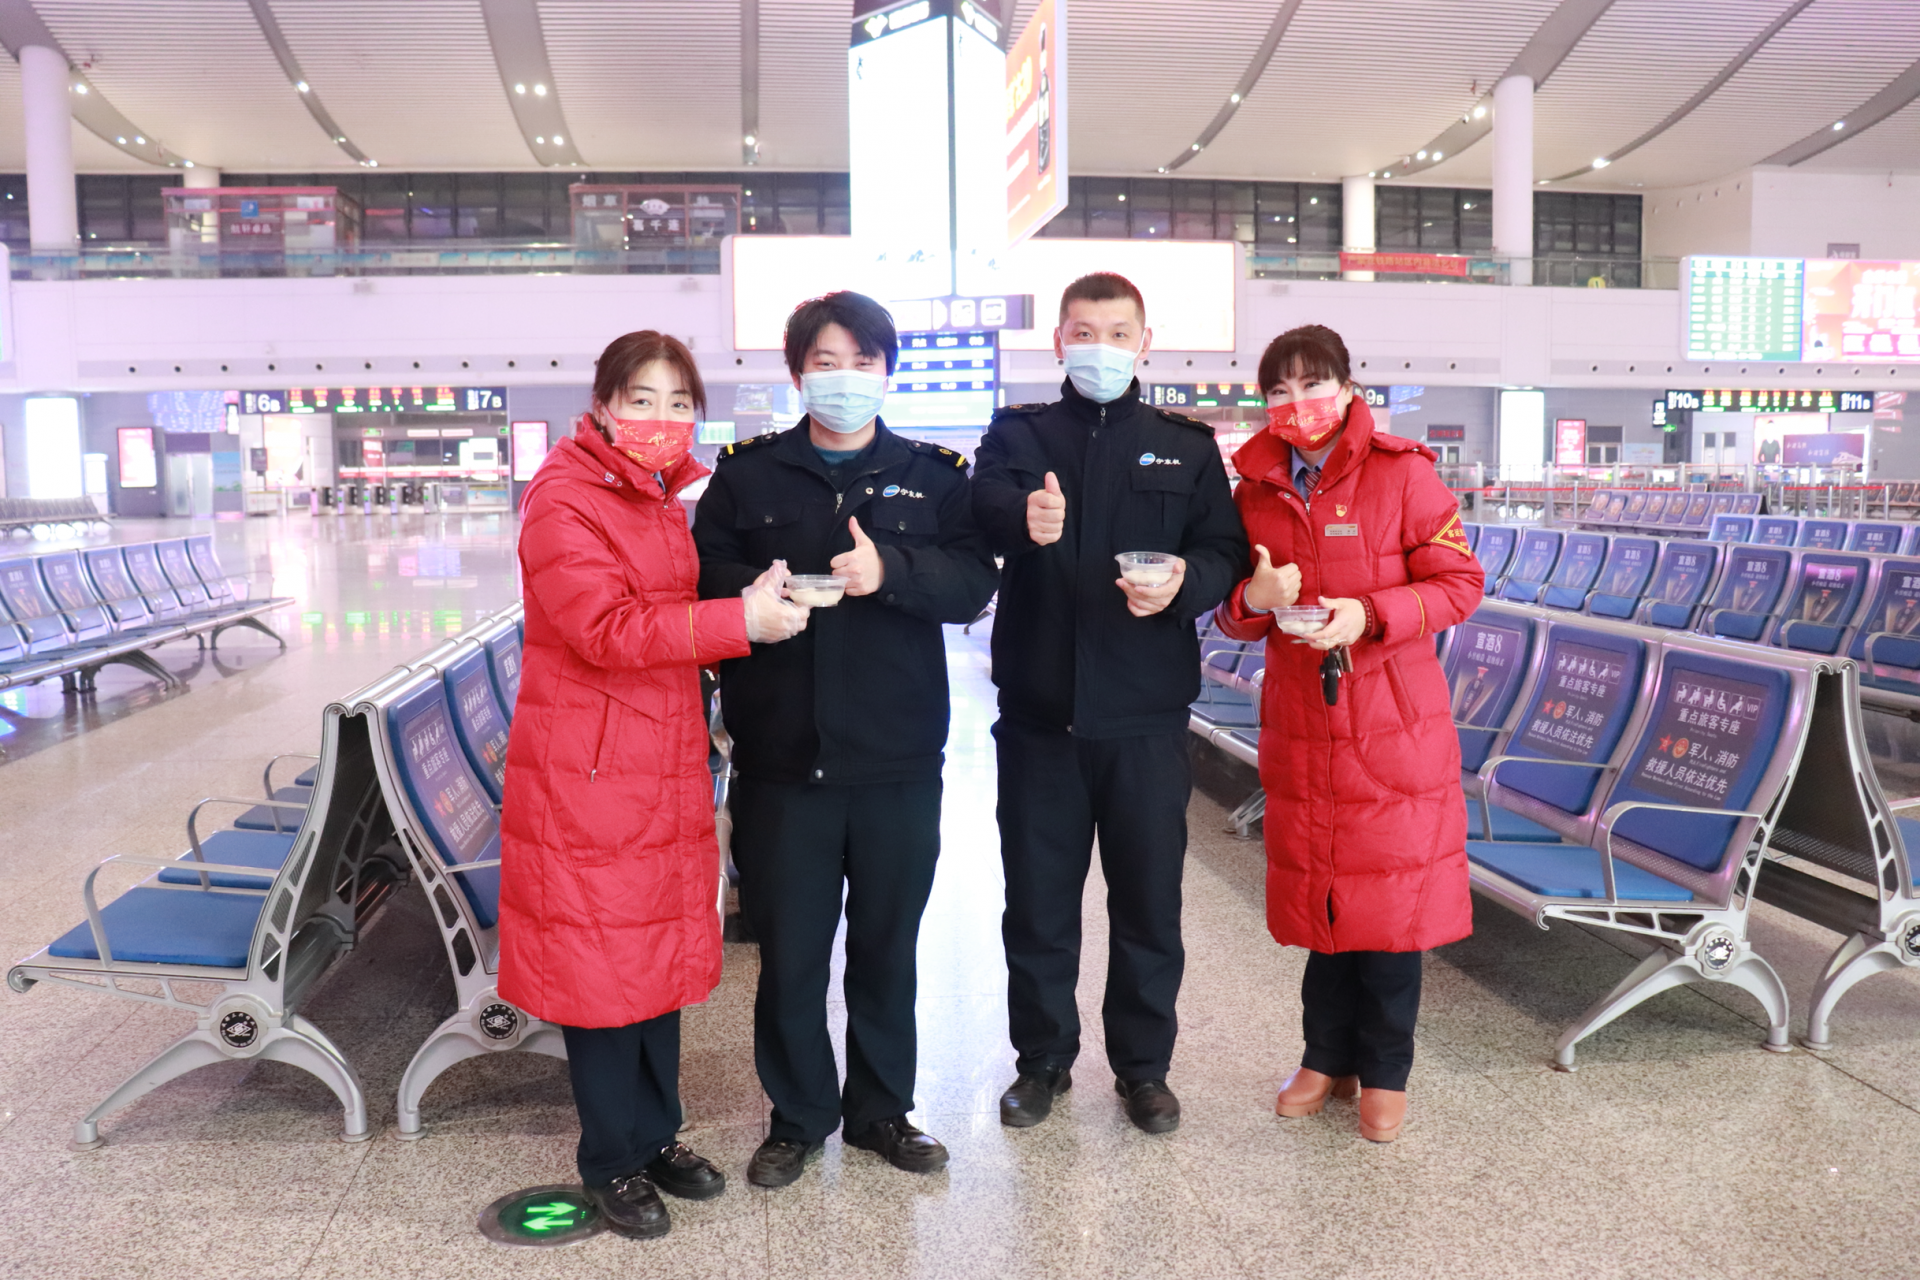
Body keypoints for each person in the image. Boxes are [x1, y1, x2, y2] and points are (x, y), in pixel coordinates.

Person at [498, 330, 811, 1239]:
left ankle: (658, 1133)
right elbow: (605, 627)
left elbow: (671, 610)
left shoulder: (653, 498)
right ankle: (610, 1157)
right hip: (591, 768)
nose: (662, 418)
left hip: (655, 755)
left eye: (679, 402)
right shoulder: (564, 498)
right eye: (642, 399)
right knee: (604, 965)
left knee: (654, 959)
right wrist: (737, 623)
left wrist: (746, 598)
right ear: (602, 406)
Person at [693, 291, 1000, 1187]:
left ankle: (880, 1111)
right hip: (783, 764)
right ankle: (796, 1118)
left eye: (863, 361)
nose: (845, 378)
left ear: (886, 371)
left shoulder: (937, 475)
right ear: (797, 373)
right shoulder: (747, 475)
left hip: (897, 762)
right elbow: (702, 573)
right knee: (790, 954)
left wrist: (889, 570)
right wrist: (760, 584)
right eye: (826, 361)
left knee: (885, 947)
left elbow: (971, 583)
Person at [971, 272, 1249, 1134]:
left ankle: (1143, 1069)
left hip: (1146, 718)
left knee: (1147, 905)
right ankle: (1043, 1062)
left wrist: (1183, 582)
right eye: (1083, 331)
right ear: (1058, 341)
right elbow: (979, 514)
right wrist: (1024, 519)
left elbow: (1223, 549)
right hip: (1040, 719)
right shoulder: (1018, 433)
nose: (1100, 346)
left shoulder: (1185, 445)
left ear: (1144, 342)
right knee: (1040, 904)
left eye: (1117, 331)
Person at [1214, 323, 1483, 1143]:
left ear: (1347, 386)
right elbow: (1233, 616)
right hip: (1302, 721)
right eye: (1280, 390)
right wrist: (1255, 599)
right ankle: (1322, 1057)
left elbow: (1461, 583)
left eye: (1313, 383)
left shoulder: (1404, 475)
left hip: (1391, 722)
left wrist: (1369, 614)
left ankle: (1386, 1070)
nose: (1298, 404)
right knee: (1321, 900)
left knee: (1392, 905)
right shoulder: (1254, 486)